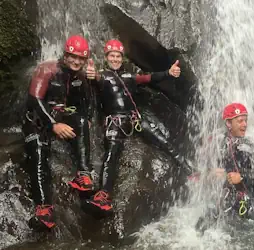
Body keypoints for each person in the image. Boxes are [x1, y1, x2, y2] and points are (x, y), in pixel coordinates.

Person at [83, 39, 188, 216]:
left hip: (134, 119)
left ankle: (189, 168)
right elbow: (94, 78)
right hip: (115, 122)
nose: (115, 59)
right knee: (111, 154)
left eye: (118, 56)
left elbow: (149, 78)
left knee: (162, 140)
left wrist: (168, 73)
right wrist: (91, 74)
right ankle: (103, 194)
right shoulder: (102, 76)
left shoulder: (129, 76)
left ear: (122, 58)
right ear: (107, 57)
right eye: (112, 56)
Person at [22, 35, 94, 230]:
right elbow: (34, 101)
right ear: (65, 54)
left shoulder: (79, 75)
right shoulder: (47, 69)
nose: (77, 61)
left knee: (80, 120)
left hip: (59, 114)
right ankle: (44, 209)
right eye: (73, 56)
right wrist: (53, 124)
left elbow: (86, 100)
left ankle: (83, 174)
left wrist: (87, 119)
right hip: (37, 118)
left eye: (81, 58)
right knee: (39, 150)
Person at [196, 103, 254, 233]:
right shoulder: (218, 141)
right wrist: (209, 173)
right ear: (228, 124)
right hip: (224, 197)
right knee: (201, 226)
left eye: (245, 121)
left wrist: (241, 176)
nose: (244, 125)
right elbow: (204, 168)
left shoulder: (248, 146)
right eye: (240, 121)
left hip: (245, 199)